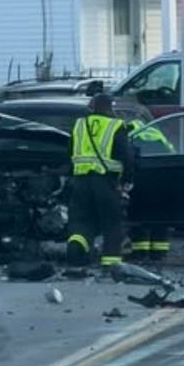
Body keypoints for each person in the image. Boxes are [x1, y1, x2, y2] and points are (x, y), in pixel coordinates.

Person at [66, 94, 133, 268]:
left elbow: (70, 153)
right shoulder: (116, 126)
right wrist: (127, 180)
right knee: (111, 222)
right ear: (110, 108)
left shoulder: (79, 124)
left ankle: (75, 250)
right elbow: (127, 156)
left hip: (80, 182)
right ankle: (111, 263)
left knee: (81, 221)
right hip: (105, 182)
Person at [125, 119, 175, 263]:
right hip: (163, 182)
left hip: (142, 181)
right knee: (160, 219)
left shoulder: (131, 135)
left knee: (139, 218)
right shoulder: (157, 134)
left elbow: (127, 159)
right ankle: (159, 254)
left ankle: (140, 253)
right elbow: (172, 153)